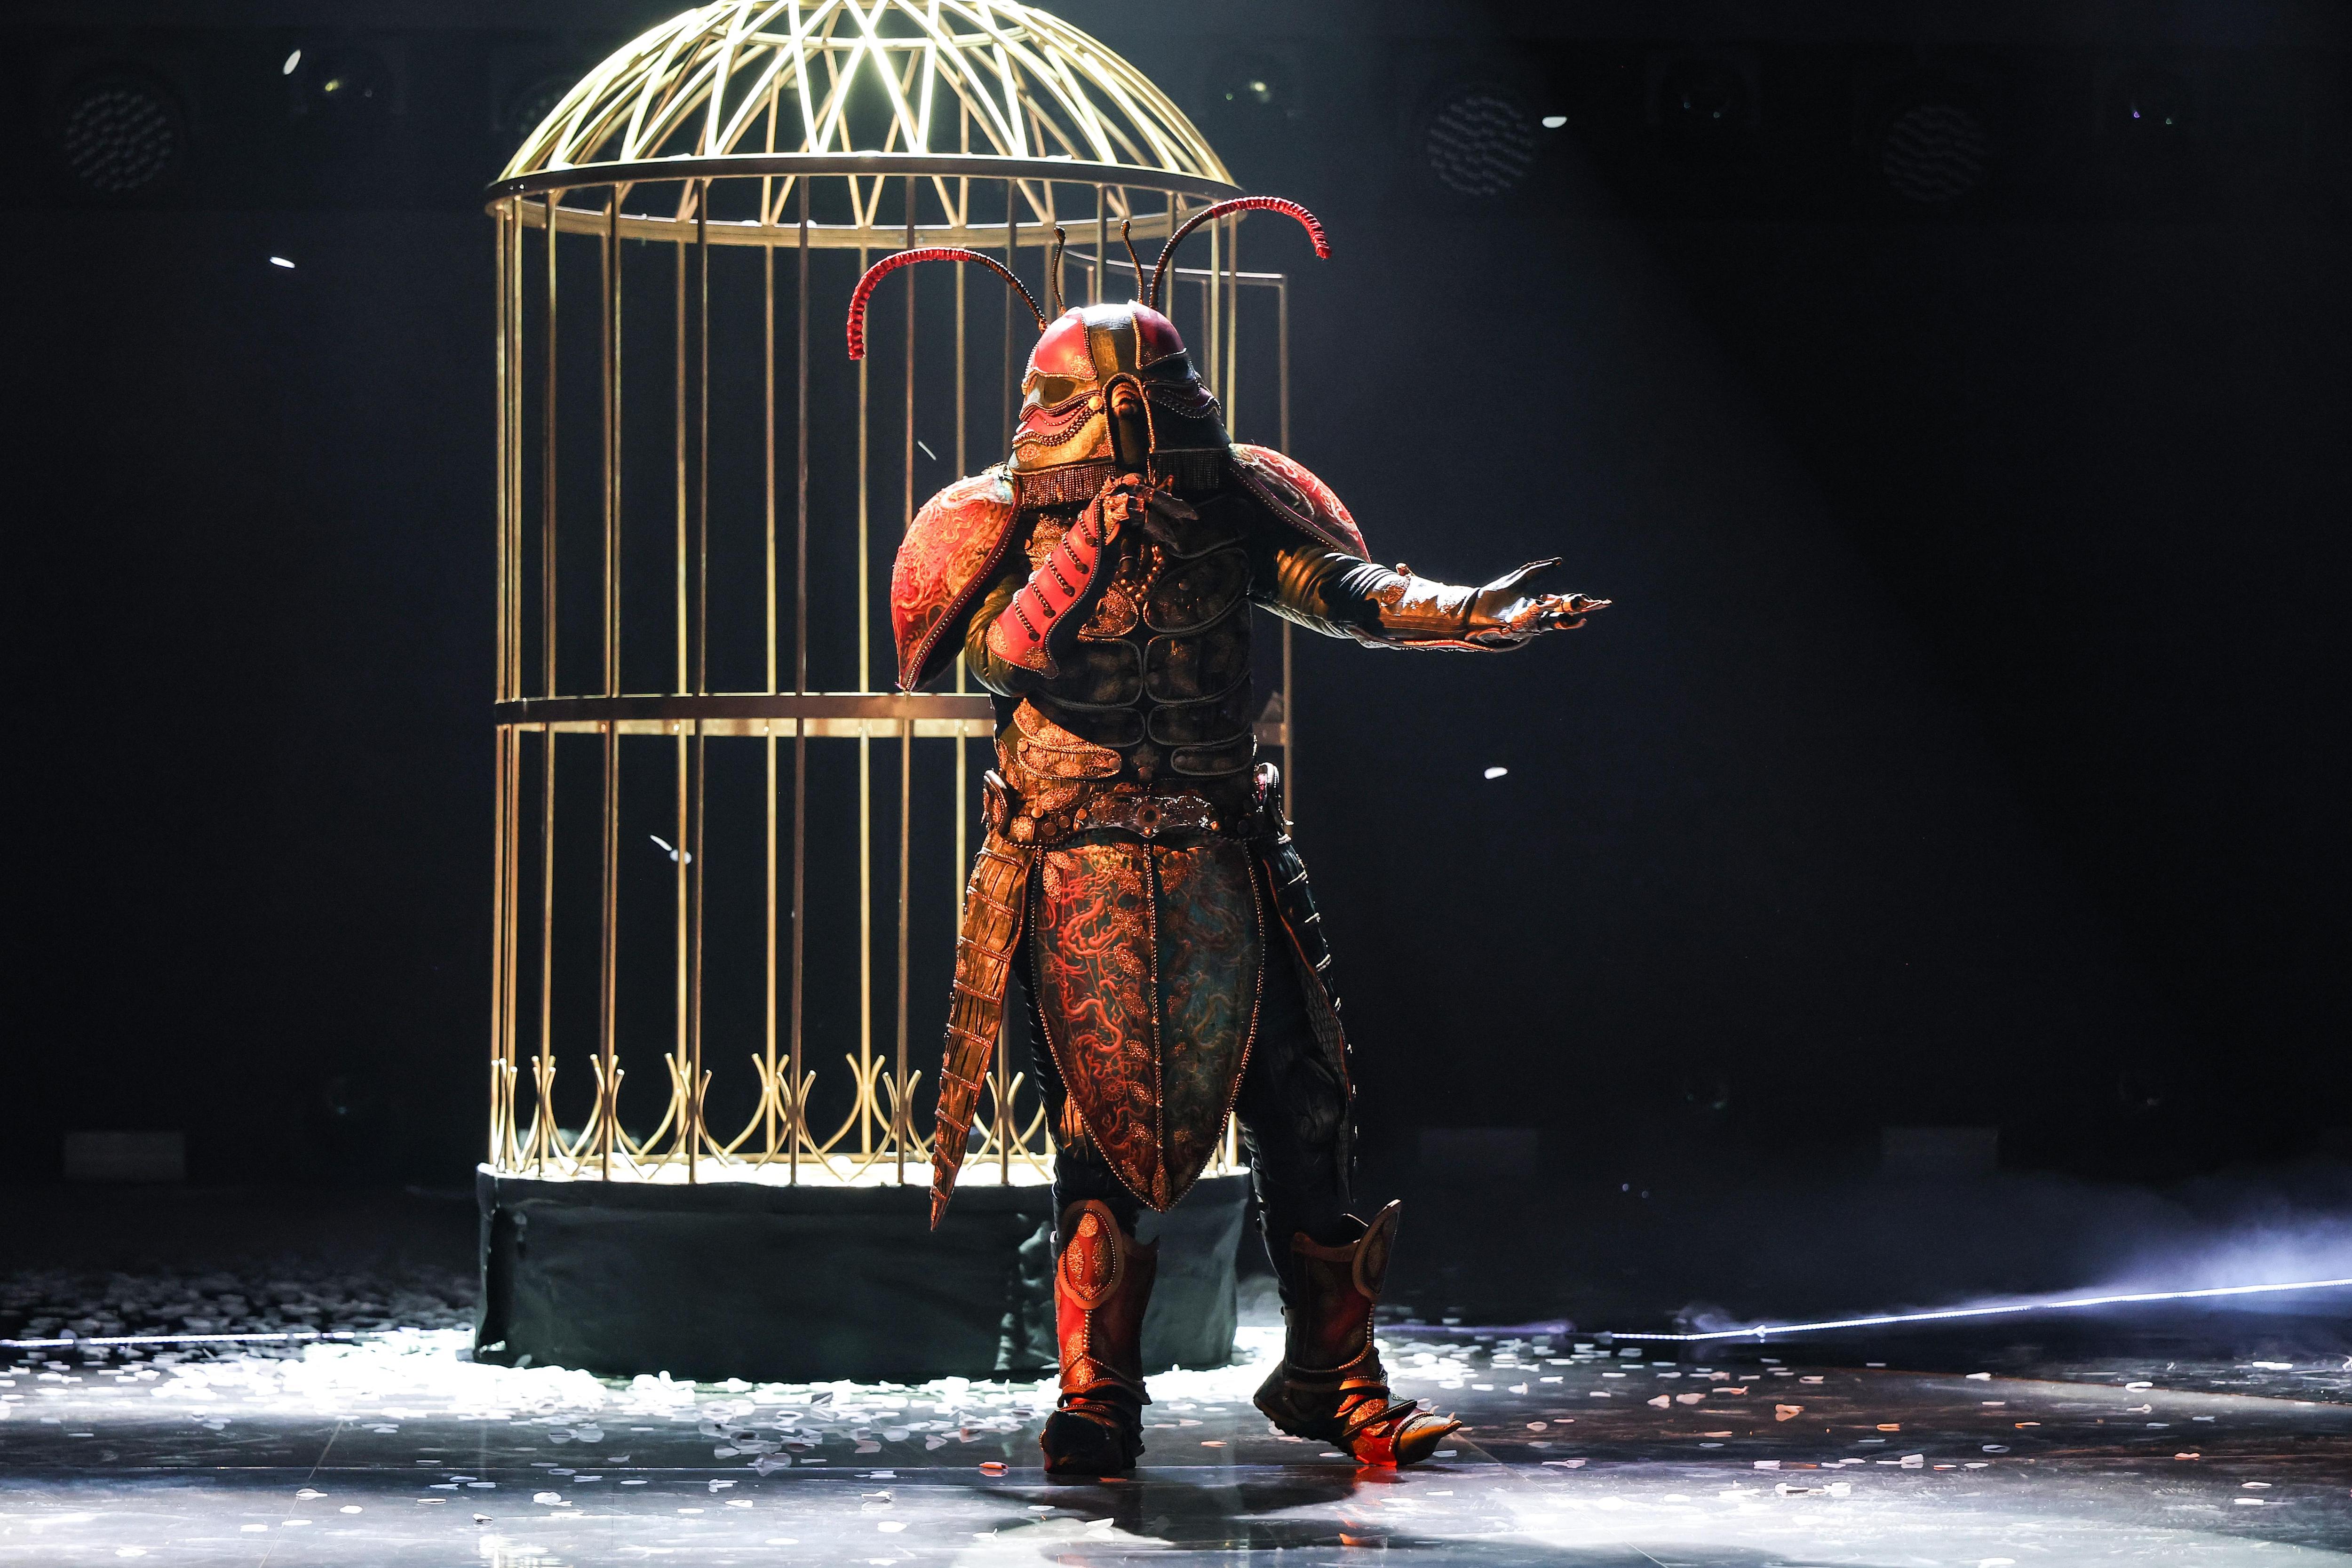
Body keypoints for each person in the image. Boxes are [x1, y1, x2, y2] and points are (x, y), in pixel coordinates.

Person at [851, 198, 1608, 1477]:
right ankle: (1098, 1395)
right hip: (1075, 855)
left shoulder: (1235, 502)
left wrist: (1465, 611)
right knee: (1098, 1128)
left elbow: (1340, 587)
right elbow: (996, 657)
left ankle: (1333, 1377)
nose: (1140, 431)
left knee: (1305, 1105)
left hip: (1226, 843)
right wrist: (1084, 551)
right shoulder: (990, 519)